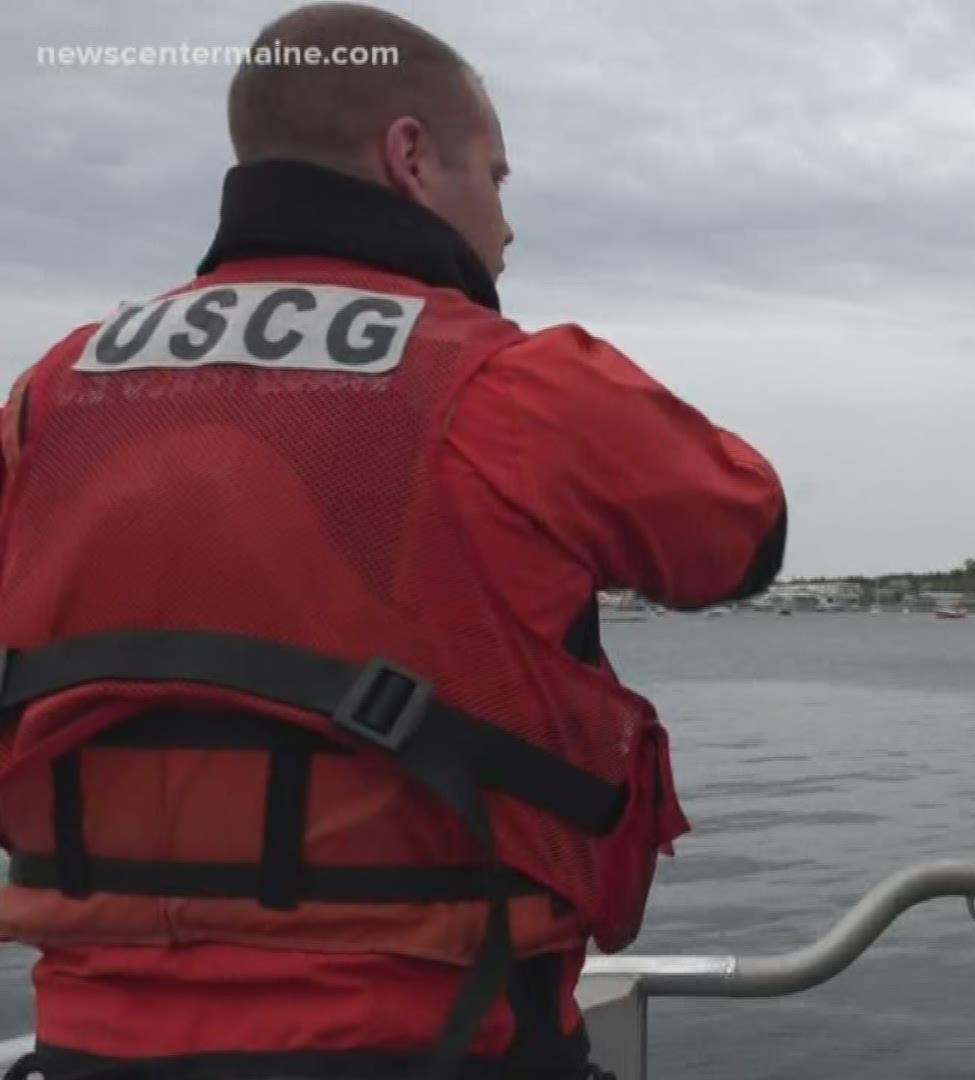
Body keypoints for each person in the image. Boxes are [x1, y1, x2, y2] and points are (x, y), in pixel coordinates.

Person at [0, 4, 786, 1079]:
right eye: (497, 180)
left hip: (92, 1047)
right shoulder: (507, 384)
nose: (507, 228)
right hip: (438, 1037)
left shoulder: (48, 396)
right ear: (411, 156)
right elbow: (739, 535)